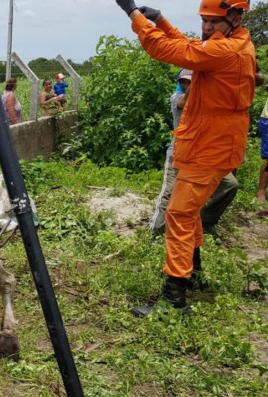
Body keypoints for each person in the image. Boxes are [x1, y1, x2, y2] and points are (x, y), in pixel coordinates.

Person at [112, 0, 256, 316]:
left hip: (209, 148)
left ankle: (174, 299)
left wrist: (133, 14)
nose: (206, 26)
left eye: (213, 21)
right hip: (208, 144)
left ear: (235, 15)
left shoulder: (225, 52)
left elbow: (170, 51)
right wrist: (162, 21)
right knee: (187, 213)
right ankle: (193, 274)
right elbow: (190, 45)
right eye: (204, 19)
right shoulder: (232, 44)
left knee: (178, 215)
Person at [150, 69, 239, 236]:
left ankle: (206, 221)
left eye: (190, 81)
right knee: (169, 193)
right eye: (183, 81)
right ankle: (157, 230)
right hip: (178, 154)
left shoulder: (209, 100)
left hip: (204, 157)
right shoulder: (177, 98)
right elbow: (185, 103)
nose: (186, 84)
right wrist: (201, 76)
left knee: (229, 185)